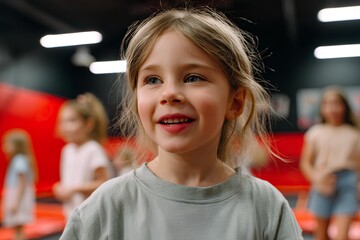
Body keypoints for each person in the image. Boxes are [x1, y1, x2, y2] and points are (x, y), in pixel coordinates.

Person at [60, 7, 302, 239]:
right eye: (153, 79)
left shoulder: (265, 207)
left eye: (193, 77)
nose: (169, 93)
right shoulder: (107, 207)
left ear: (235, 102)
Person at [300, 87, 360, 240]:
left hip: (349, 183)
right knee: (321, 234)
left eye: (337, 104)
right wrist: (316, 178)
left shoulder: (355, 134)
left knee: (342, 236)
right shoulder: (315, 133)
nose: (332, 108)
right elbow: (305, 163)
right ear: (322, 108)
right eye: (328, 104)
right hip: (322, 180)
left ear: (345, 107)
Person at [52, 92, 111, 219]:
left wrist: (74, 189)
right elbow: (69, 180)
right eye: (63, 121)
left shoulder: (93, 149)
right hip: (71, 214)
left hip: (90, 215)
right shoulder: (67, 150)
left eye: (72, 121)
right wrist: (61, 187)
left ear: (88, 124)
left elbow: (104, 182)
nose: (66, 127)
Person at [1, 129, 38, 240]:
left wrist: (15, 203)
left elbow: (21, 184)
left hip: (18, 195)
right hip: (18, 194)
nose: (4, 147)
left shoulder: (19, 160)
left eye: (7, 143)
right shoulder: (20, 159)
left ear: (17, 145)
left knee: (18, 225)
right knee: (18, 227)